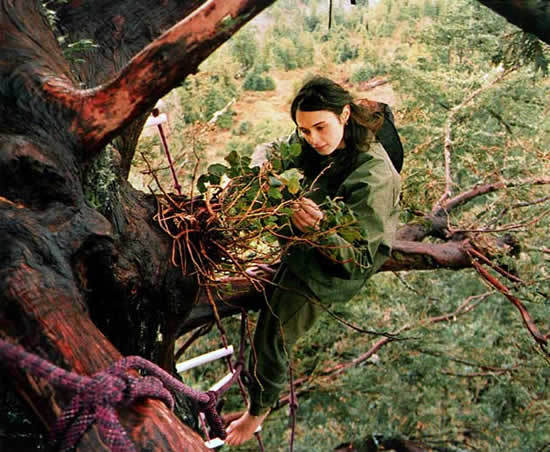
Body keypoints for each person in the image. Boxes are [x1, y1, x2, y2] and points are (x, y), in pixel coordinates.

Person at [225, 76, 401, 446]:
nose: (314, 139)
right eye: (304, 131)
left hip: (331, 268)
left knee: (272, 333)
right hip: (303, 237)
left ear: (345, 114)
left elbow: (358, 260)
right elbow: (272, 148)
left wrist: (320, 230)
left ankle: (256, 414)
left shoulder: (374, 176)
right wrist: (261, 169)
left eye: (321, 127)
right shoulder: (312, 140)